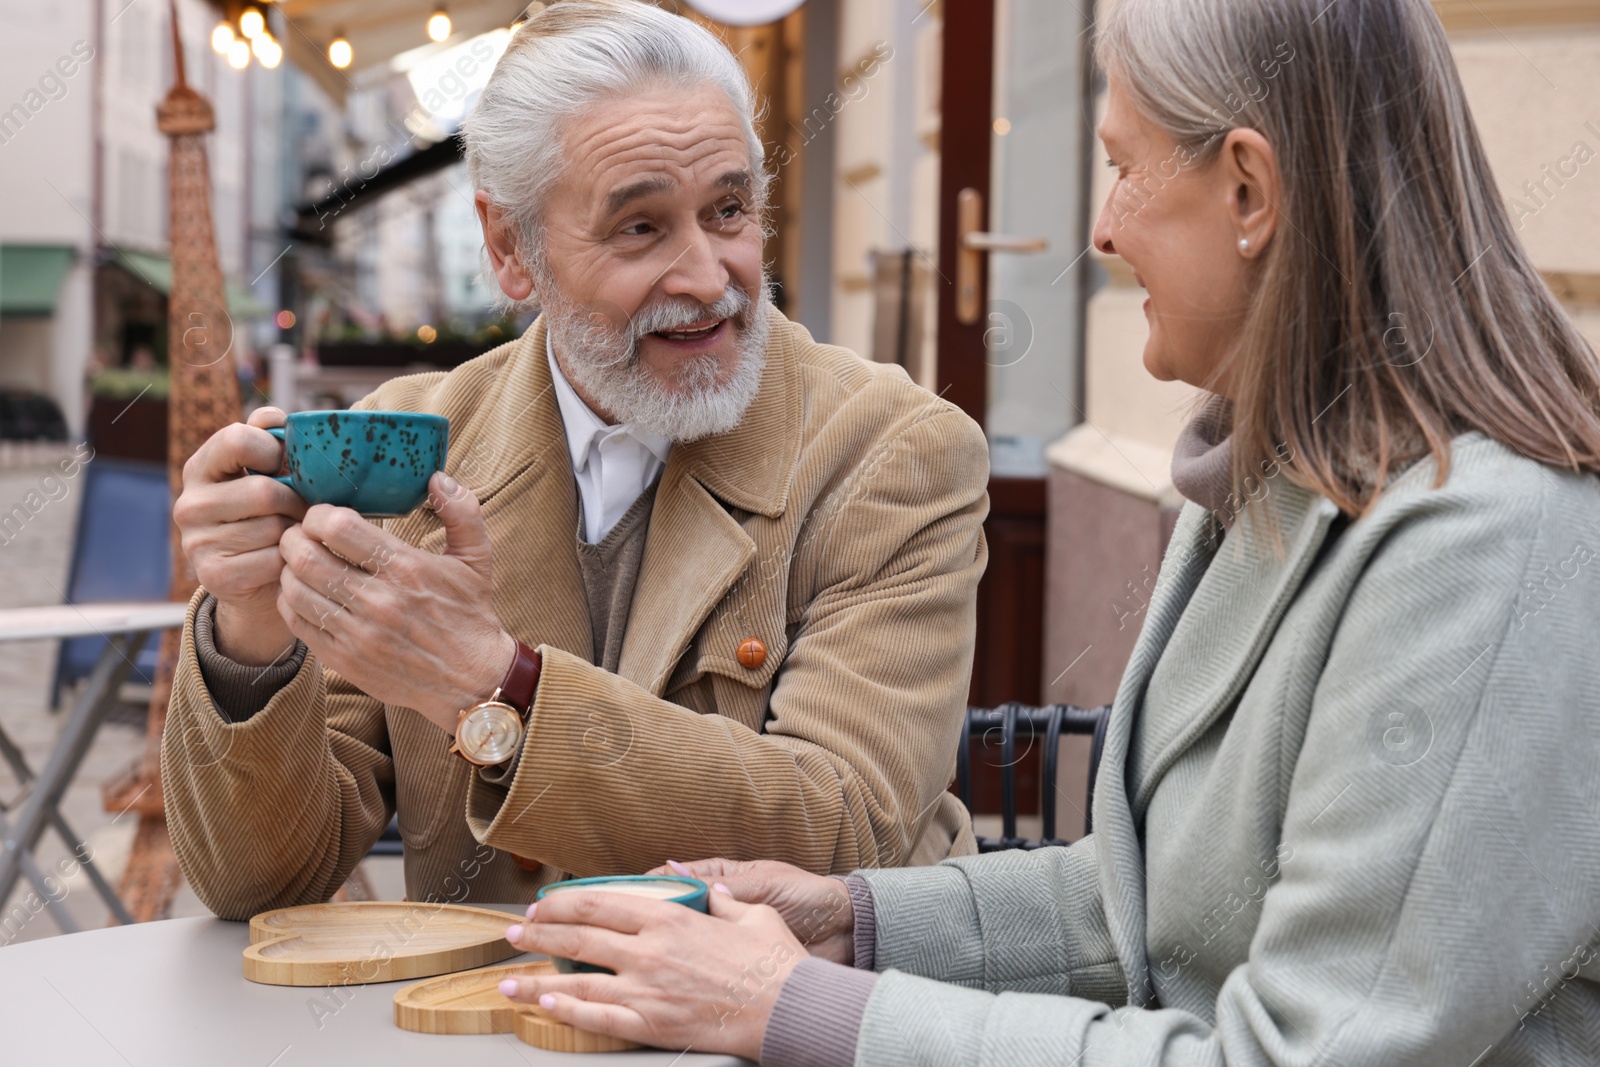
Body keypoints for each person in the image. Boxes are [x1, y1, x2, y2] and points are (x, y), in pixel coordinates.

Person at [494, 0, 1600, 1063]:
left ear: (1250, 189)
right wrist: (854, 919)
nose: (1101, 229)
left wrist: (795, 1006)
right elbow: (1141, 900)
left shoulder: (1484, 546)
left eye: (1122, 166)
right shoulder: (1285, 481)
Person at [161, 0, 989, 919]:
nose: (710, 277)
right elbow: (259, 882)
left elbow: (844, 832)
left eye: (728, 209)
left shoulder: (892, 449)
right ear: (510, 250)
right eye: (641, 228)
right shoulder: (403, 448)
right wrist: (248, 630)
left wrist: (494, 685)